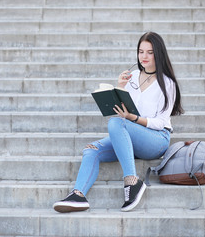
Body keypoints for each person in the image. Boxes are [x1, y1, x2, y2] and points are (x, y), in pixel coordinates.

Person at [53, 32, 184, 213]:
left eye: (149, 52)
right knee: (91, 149)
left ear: (159, 54)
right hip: (130, 135)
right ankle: (78, 195)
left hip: (156, 139)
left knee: (116, 124)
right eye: (140, 51)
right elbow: (126, 110)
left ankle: (132, 181)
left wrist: (133, 118)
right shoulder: (133, 76)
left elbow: (161, 123)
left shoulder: (167, 83)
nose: (143, 56)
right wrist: (120, 88)